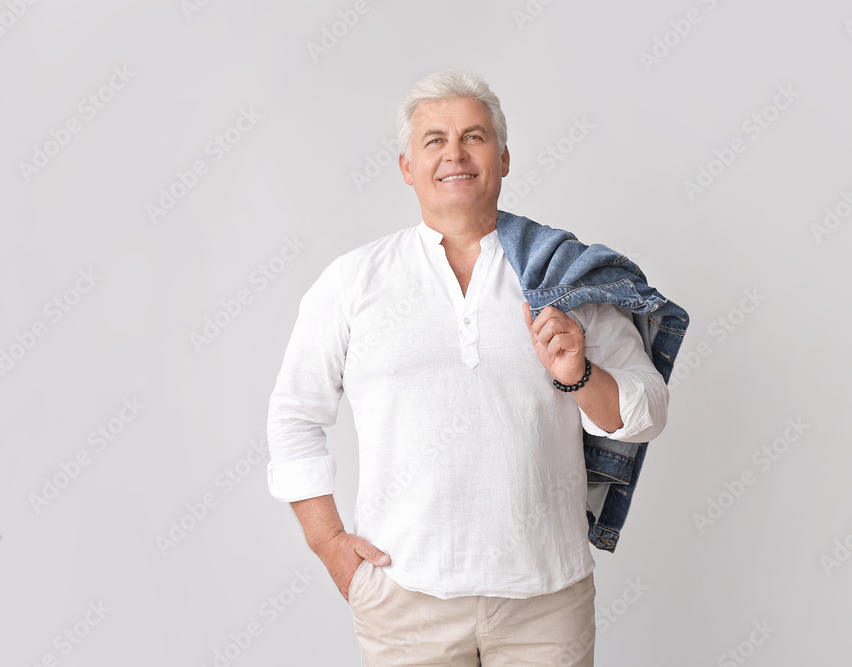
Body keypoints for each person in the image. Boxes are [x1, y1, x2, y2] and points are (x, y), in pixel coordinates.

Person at [266, 69, 671, 666]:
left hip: (546, 600)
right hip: (405, 596)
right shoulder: (353, 282)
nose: (454, 153)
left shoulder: (565, 278)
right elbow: (294, 415)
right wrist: (330, 545)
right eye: (434, 140)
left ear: (503, 158)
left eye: (473, 137)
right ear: (408, 166)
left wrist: (580, 375)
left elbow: (647, 413)